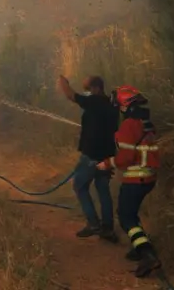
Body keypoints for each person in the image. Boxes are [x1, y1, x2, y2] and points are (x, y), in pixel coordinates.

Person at [97, 85, 162, 278]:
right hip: (148, 177)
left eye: (118, 105)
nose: (118, 109)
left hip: (136, 178)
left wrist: (106, 163)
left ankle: (146, 253)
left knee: (125, 216)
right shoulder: (145, 122)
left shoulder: (128, 125)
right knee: (131, 213)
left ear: (124, 106)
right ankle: (139, 245)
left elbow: (125, 158)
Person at [58, 74, 119, 241]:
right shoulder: (111, 105)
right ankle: (107, 228)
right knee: (102, 189)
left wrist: (63, 82)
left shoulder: (95, 102)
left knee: (79, 186)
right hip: (107, 156)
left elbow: (71, 96)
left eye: (88, 89)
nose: (87, 93)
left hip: (91, 155)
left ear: (97, 88)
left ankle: (93, 224)